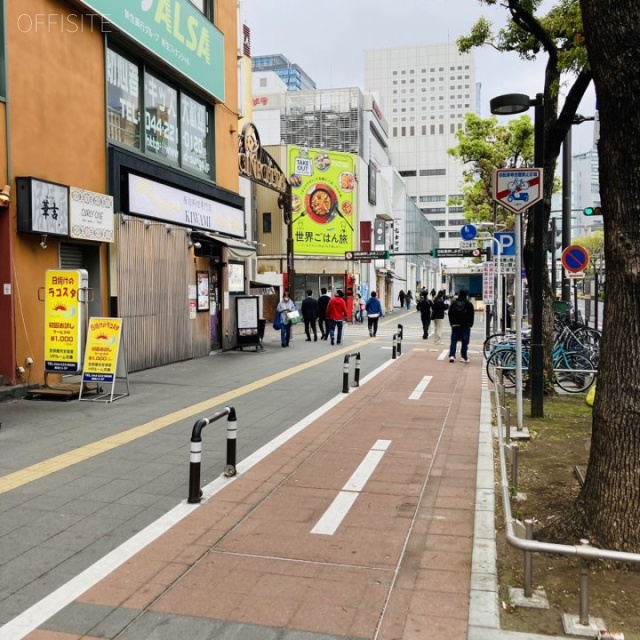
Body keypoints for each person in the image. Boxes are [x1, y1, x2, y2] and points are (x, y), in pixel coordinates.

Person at [448, 289, 475, 363]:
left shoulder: (454, 303)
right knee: (465, 341)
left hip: (455, 325)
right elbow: (471, 315)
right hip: (465, 325)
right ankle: (464, 357)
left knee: (454, 340)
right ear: (466, 295)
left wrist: (451, 323)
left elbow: (449, 313)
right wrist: (470, 324)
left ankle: (452, 355)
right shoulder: (468, 304)